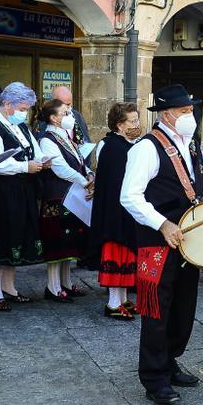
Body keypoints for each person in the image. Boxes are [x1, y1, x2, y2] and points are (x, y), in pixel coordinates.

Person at [123, 84, 203, 404]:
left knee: (184, 307)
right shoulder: (146, 148)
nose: (190, 115)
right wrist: (162, 223)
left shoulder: (191, 145)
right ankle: (154, 379)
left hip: (189, 239)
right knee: (157, 311)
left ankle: (170, 361)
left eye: (190, 110)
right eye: (184, 111)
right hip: (158, 241)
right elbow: (129, 196)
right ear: (167, 114)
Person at [0, 82, 46, 311]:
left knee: (17, 235)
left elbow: (35, 149)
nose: (24, 113)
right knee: (3, 236)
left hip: (22, 188)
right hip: (2, 189)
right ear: (8, 105)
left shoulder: (20, 127)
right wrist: (26, 166)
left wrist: (43, 160)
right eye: (22, 108)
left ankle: (9, 287)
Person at [36, 98, 94, 302]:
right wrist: (83, 180)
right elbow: (59, 168)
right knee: (57, 241)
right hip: (57, 196)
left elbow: (79, 161)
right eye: (65, 113)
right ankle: (52, 287)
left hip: (71, 195)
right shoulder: (47, 139)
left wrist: (89, 175)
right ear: (53, 118)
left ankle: (66, 283)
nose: (70, 116)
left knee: (70, 241)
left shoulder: (66, 136)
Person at [90, 103, 142, 320]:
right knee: (116, 253)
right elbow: (113, 184)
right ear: (120, 125)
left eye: (137, 120)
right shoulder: (112, 146)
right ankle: (113, 302)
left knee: (127, 255)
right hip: (115, 211)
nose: (137, 125)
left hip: (126, 210)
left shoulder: (127, 144)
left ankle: (122, 299)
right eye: (132, 121)